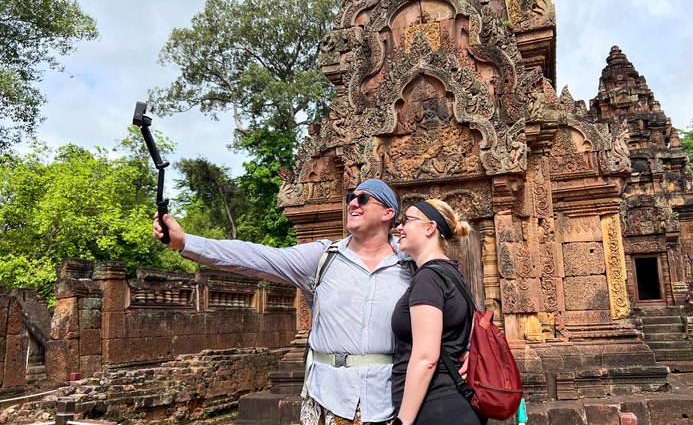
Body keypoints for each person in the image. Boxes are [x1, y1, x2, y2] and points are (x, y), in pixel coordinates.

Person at [153, 179, 409, 425]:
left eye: (363, 198)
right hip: (327, 399)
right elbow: (258, 257)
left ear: (388, 213)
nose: (353, 203)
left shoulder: (412, 264)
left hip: (388, 399)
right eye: (350, 198)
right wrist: (186, 241)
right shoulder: (323, 257)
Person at [390, 199, 481, 425]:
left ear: (430, 227)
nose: (398, 228)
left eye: (405, 221)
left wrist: (403, 421)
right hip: (454, 404)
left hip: (436, 408)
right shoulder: (453, 272)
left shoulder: (428, 278)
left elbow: (426, 358)